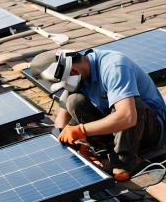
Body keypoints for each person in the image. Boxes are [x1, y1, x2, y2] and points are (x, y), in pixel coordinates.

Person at [31, 48, 166, 181]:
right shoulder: (82, 70)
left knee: (131, 107)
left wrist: (81, 130)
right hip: (118, 125)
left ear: (73, 70)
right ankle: (103, 149)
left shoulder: (115, 66)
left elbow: (127, 117)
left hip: (150, 130)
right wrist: (58, 137)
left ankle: (125, 161)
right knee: (74, 100)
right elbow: (64, 111)